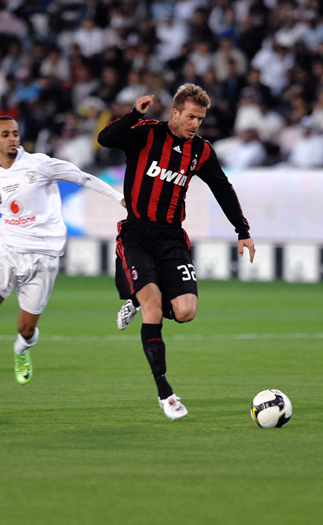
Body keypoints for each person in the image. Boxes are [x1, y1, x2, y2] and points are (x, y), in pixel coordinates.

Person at [97, 83, 255, 422]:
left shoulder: (200, 151)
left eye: (201, 118)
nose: (196, 124)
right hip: (137, 233)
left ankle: (138, 298)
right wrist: (134, 114)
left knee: (185, 311)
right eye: (191, 117)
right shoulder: (146, 133)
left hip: (172, 239)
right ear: (175, 112)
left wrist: (243, 230)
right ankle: (166, 393)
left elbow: (222, 188)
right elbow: (106, 140)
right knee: (155, 306)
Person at [0, 116, 125, 385]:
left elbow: (83, 177)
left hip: (44, 257)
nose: (12, 139)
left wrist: (119, 197)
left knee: (26, 328)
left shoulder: (39, 164)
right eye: (6, 134)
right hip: (8, 251)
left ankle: (22, 349)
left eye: (16, 133)